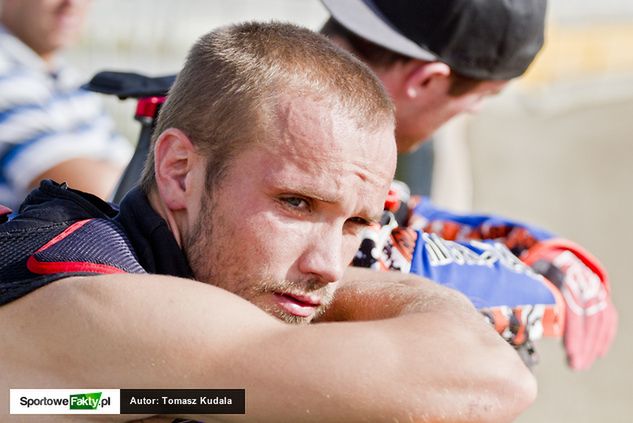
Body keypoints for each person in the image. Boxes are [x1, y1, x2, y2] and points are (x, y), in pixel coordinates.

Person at [0, 22, 535, 422]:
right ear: (179, 171)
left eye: (355, 225)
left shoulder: (159, 292)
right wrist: (426, 292)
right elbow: (492, 384)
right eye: (296, 204)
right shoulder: (95, 305)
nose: (326, 266)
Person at [320, 0, 617, 370]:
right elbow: (384, 258)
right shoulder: (308, 145)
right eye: (483, 95)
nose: (475, 110)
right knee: (485, 355)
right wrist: (544, 285)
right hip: (231, 397)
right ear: (427, 80)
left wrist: (536, 245)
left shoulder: (272, 80)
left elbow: (401, 209)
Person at [0, 0, 132, 210]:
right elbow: (99, 194)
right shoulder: (4, 74)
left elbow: (135, 177)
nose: (73, 3)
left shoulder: (68, 79)